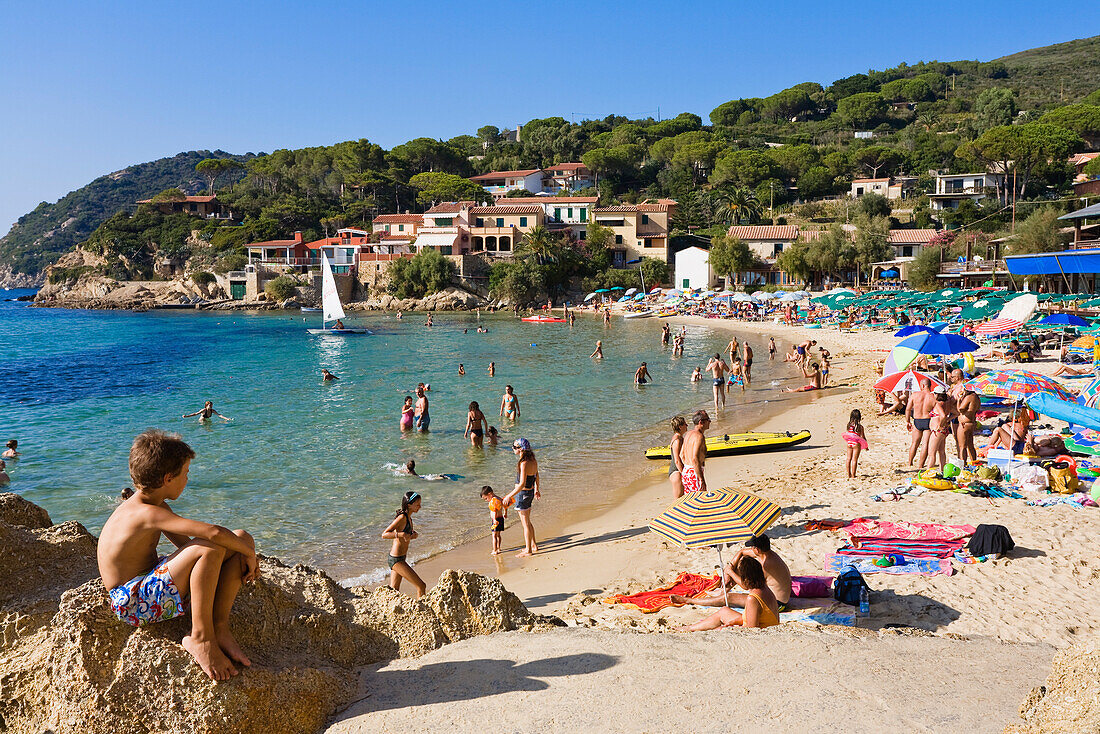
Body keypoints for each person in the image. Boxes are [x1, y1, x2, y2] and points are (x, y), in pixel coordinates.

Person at [97, 430, 258, 680]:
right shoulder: (144, 513)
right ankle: (200, 638)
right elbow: (211, 534)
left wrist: (243, 547)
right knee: (217, 545)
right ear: (168, 478)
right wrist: (250, 554)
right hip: (132, 602)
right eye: (186, 474)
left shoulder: (156, 506)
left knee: (239, 537)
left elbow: (190, 545)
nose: (187, 479)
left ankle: (219, 627)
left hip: (150, 584)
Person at [672, 534, 792, 611]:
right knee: (741, 568)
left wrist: (730, 571)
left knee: (727, 598)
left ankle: (688, 600)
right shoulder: (766, 554)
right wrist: (730, 568)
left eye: (753, 547)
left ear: (757, 549)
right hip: (770, 596)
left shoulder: (766, 564)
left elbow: (747, 586)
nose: (752, 549)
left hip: (776, 604)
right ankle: (722, 589)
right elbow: (742, 552)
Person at [675, 554, 779, 631]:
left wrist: (728, 628)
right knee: (724, 611)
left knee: (719, 630)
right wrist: (734, 621)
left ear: (746, 579)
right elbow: (756, 618)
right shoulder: (764, 588)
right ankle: (690, 628)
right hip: (765, 624)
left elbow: (752, 629)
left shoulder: (753, 598)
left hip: (762, 633)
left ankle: (691, 629)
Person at [382, 491, 426, 598]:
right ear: (409, 505)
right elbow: (384, 534)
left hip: (401, 558)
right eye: (417, 504)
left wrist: (413, 535)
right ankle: (422, 611)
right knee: (421, 586)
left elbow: (406, 536)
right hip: (396, 560)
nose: (420, 506)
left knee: (394, 591)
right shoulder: (402, 518)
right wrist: (400, 534)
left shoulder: (409, 518)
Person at [503, 438, 540, 557]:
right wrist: (537, 489)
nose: (513, 449)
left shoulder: (523, 463)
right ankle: (533, 545)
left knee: (525, 524)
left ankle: (528, 550)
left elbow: (522, 483)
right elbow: (536, 475)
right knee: (528, 521)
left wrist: (509, 495)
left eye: (514, 447)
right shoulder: (533, 460)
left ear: (521, 449)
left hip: (523, 494)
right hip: (530, 493)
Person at [905, 379, 937, 468]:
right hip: (928, 420)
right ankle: (920, 465)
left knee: (914, 443)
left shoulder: (915, 395)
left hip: (917, 420)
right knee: (925, 444)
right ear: (930, 386)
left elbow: (908, 409)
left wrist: (908, 421)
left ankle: (910, 463)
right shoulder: (933, 397)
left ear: (922, 385)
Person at [678, 410, 710, 494]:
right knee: (701, 500)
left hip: (686, 471)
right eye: (708, 419)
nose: (710, 421)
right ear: (701, 422)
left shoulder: (688, 434)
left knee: (691, 502)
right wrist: (701, 479)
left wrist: (687, 470)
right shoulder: (699, 436)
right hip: (694, 473)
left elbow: (681, 455)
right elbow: (694, 459)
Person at [927, 393, 955, 473]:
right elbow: (956, 413)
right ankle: (942, 470)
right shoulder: (947, 405)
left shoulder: (938, 405)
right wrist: (948, 420)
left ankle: (928, 472)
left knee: (931, 453)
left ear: (937, 395)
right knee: (941, 452)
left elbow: (942, 416)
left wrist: (940, 424)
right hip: (943, 431)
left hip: (937, 431)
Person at [481, 485, 511, 555]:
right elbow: (505, 505)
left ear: (489, 494)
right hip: (501, 519)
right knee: (498, 535)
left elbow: (494, 511)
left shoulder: (493, 501)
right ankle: (498, 548)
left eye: (486, 498)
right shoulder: (499, 498)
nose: (486, 500)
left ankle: (495, 550)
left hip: (496, 520)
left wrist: (494, 520)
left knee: (494, 536)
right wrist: (505, 513)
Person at [956, 385, 981, 464]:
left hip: (964, 424)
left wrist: (959, 400)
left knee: (962, 446)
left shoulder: (969, 397)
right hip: (972, 422)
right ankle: (974, 462)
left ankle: (963, 464)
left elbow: (961, 409)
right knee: (970, 445)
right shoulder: (976, 397)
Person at [844, 409, 869, 479]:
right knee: (854, 459)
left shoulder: (848, 425)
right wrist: (866, 446)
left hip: (849, 443)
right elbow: (863, 437)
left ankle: (848, 474)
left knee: (848, 459)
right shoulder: (860, 427)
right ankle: (853, 475)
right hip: (856, 443)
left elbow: (849, 434)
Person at [667, 416, 689, 498]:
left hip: (678, 470)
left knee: (682, 498)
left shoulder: (679, 438)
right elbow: (677, 460)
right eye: (685, 424)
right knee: (678, 500)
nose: (687, 425)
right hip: (676, 471)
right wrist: (684, 474)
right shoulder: (677, 440)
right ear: (680, 427)